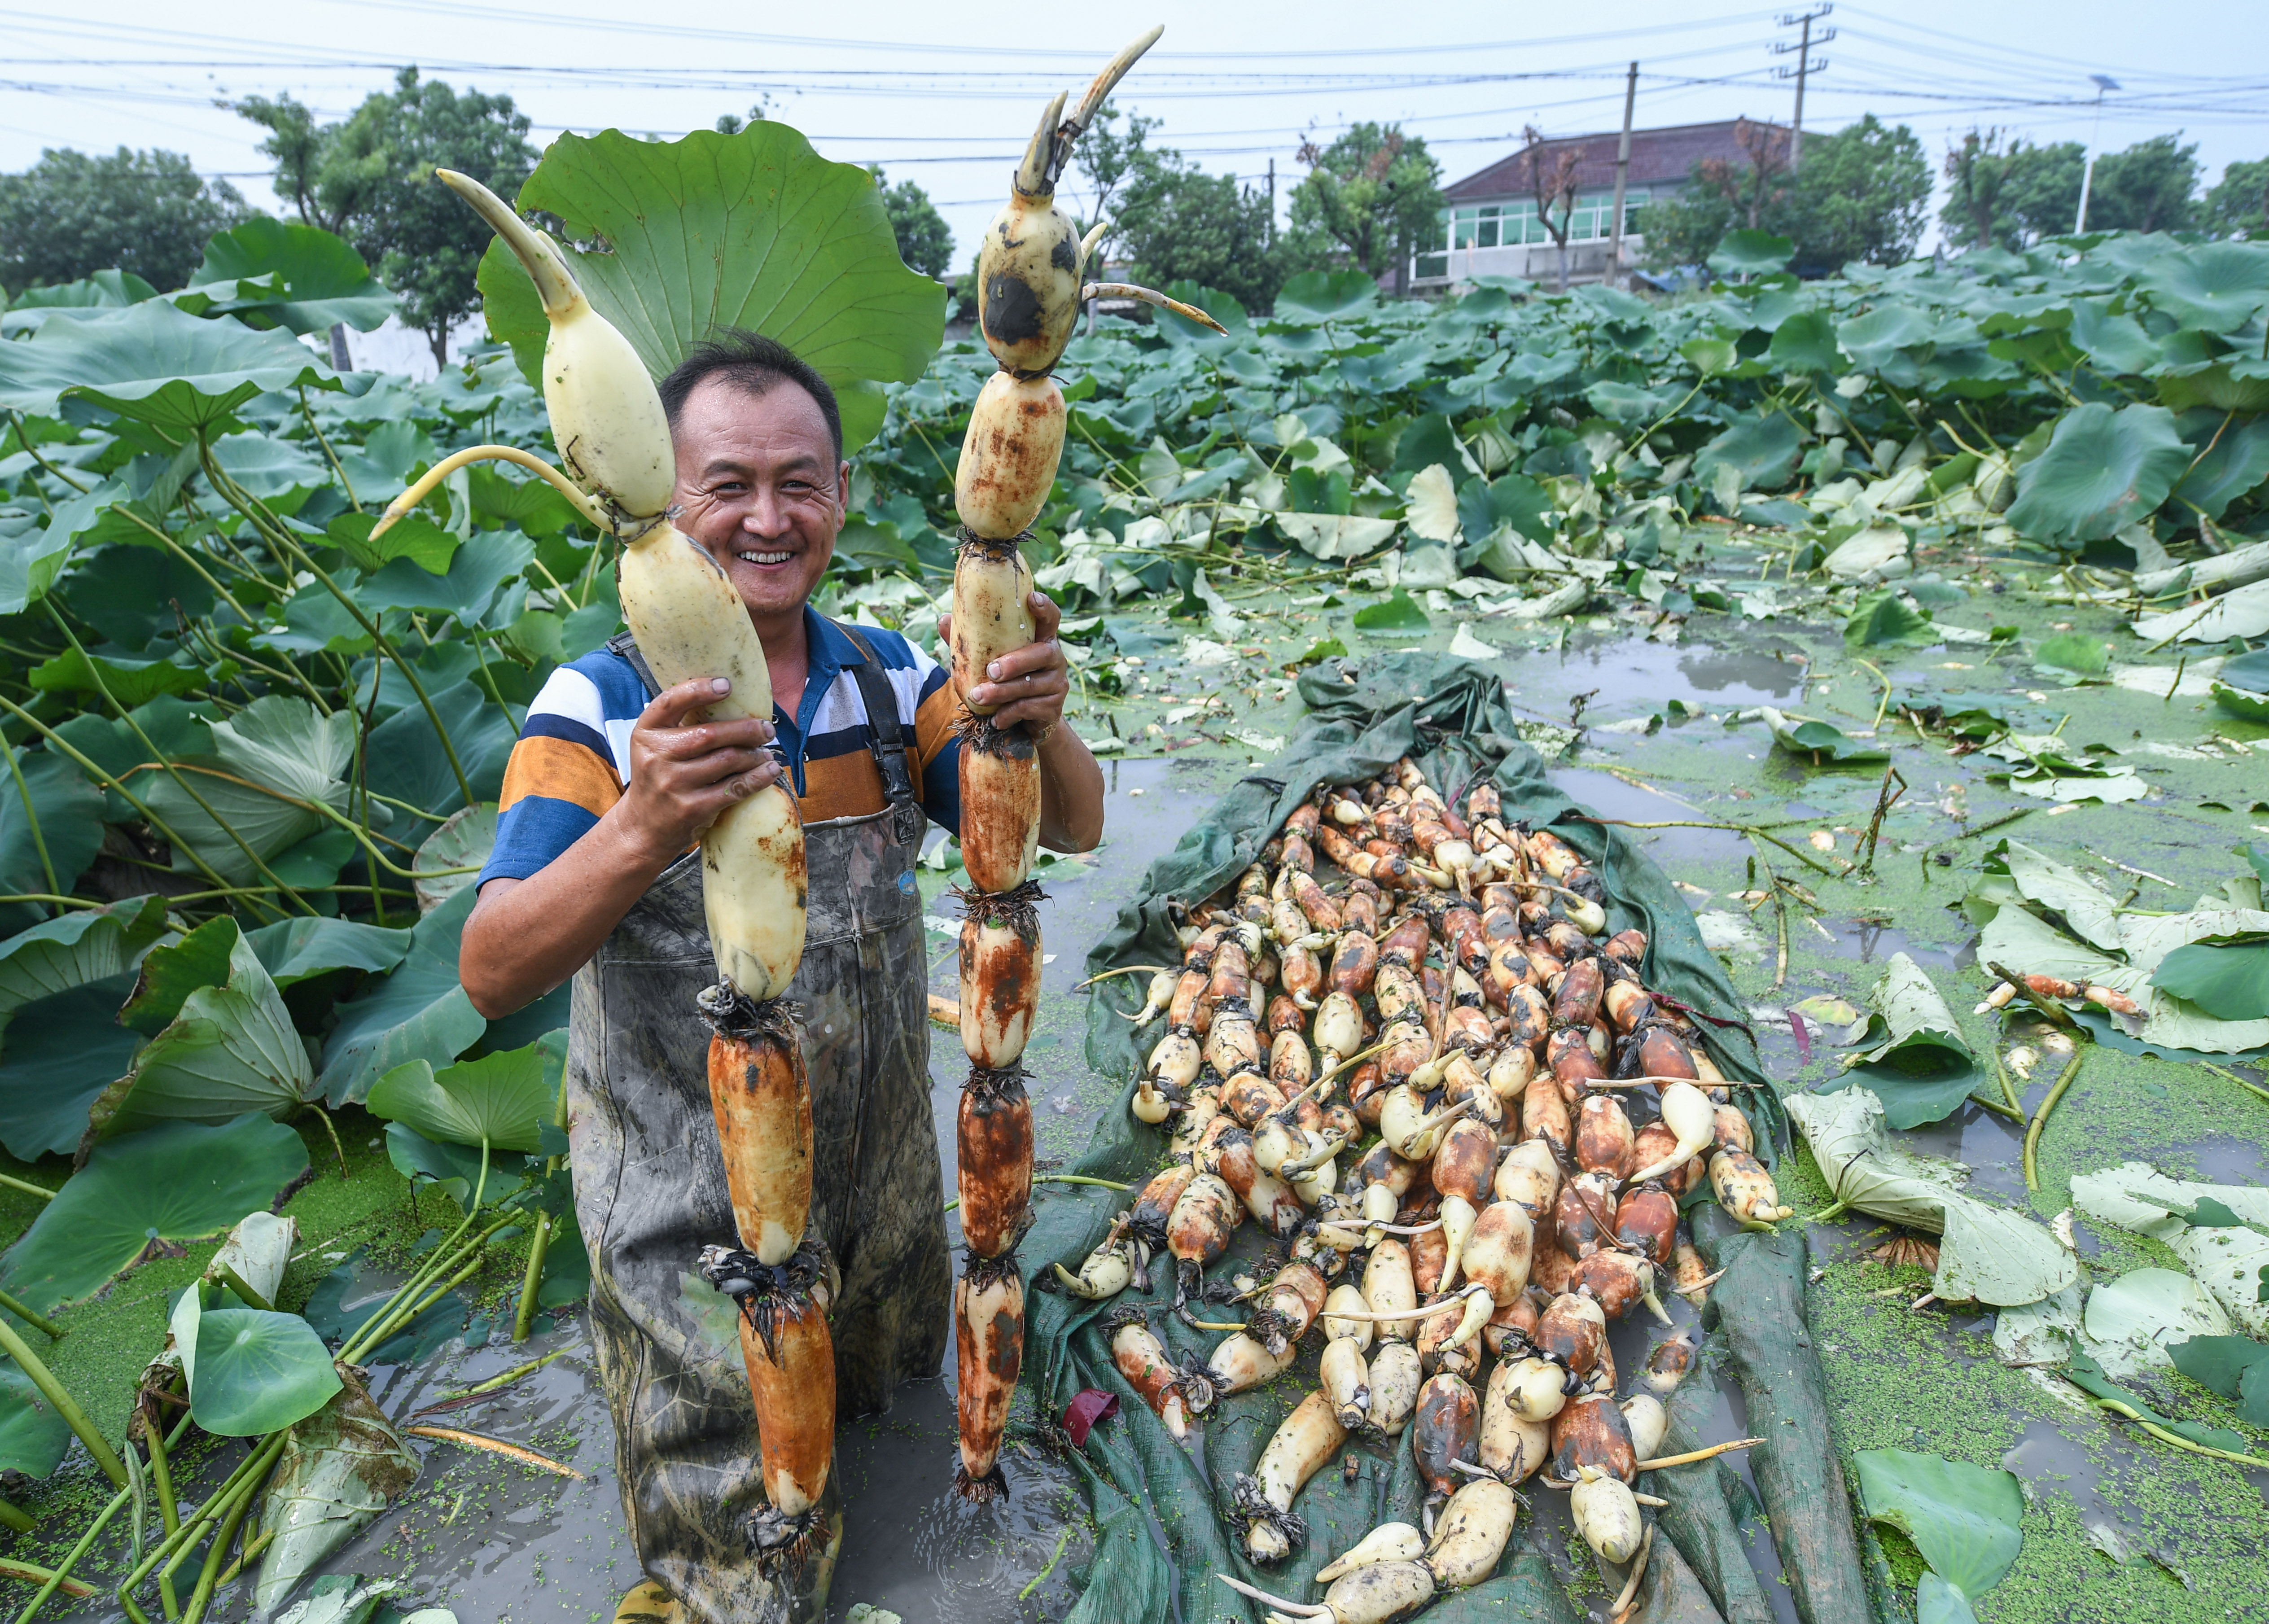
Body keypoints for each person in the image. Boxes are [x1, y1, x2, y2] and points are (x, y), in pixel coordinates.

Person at [458, 329, 1104, 1624]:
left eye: (799, 481)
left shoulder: (892, 678)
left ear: (845, 494)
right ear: (666, 497)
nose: (767, 518)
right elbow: (493, 969)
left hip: (888, 1215)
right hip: (698, 1254)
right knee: (747, 1574)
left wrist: (1037, 717)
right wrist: (641, 825)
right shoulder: (594, 706)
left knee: (906, 1450)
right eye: (727, 484)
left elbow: (1067, 832)